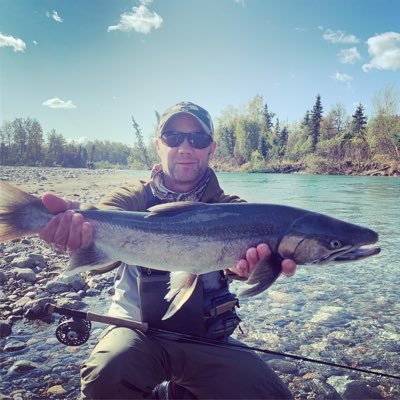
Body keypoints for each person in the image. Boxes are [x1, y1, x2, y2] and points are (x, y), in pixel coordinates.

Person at [40, 101, 296, 399]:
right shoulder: (130, 197)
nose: (185, 147)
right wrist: (77, 232)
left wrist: (253, 268)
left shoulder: (234, 209)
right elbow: (100, 241)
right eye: (173, 137)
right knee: (106, 375)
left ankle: (175, 393)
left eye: (197, 139)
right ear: (158, 146)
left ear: (211, 149)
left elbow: (239, 269)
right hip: (136, 330)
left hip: (207, 338)